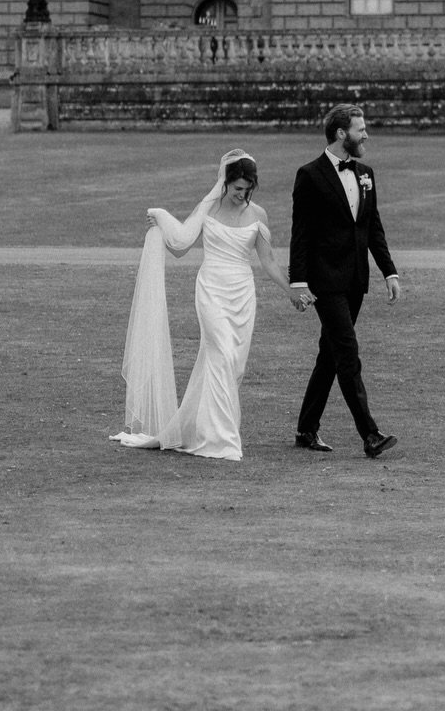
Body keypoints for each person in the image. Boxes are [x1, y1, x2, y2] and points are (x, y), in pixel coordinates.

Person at [113, 147, 290, 461]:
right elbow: (180, 245)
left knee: (231, 364)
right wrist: (160, 219)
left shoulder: (258, 215)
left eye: (248, 190)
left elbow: (269, 260)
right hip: (211, 289)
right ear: (225, 182)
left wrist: (290, 290)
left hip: (242, 293)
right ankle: (224, 440)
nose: (242, 195)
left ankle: (197, 429)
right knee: (220, 352)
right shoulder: (207, 209)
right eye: (237, 189)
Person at [288, 103, 401, 459]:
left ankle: (307, 429)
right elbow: (301, 234)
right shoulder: (309, 175)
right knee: (348, 353)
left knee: (331, 355)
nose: (366, 134)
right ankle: (370, 434)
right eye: (360, 129)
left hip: (355, 281)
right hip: (325, 282)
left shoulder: (365, 172)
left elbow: (373, 227)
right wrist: (299, 283)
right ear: (341, 134)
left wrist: (389, 271)